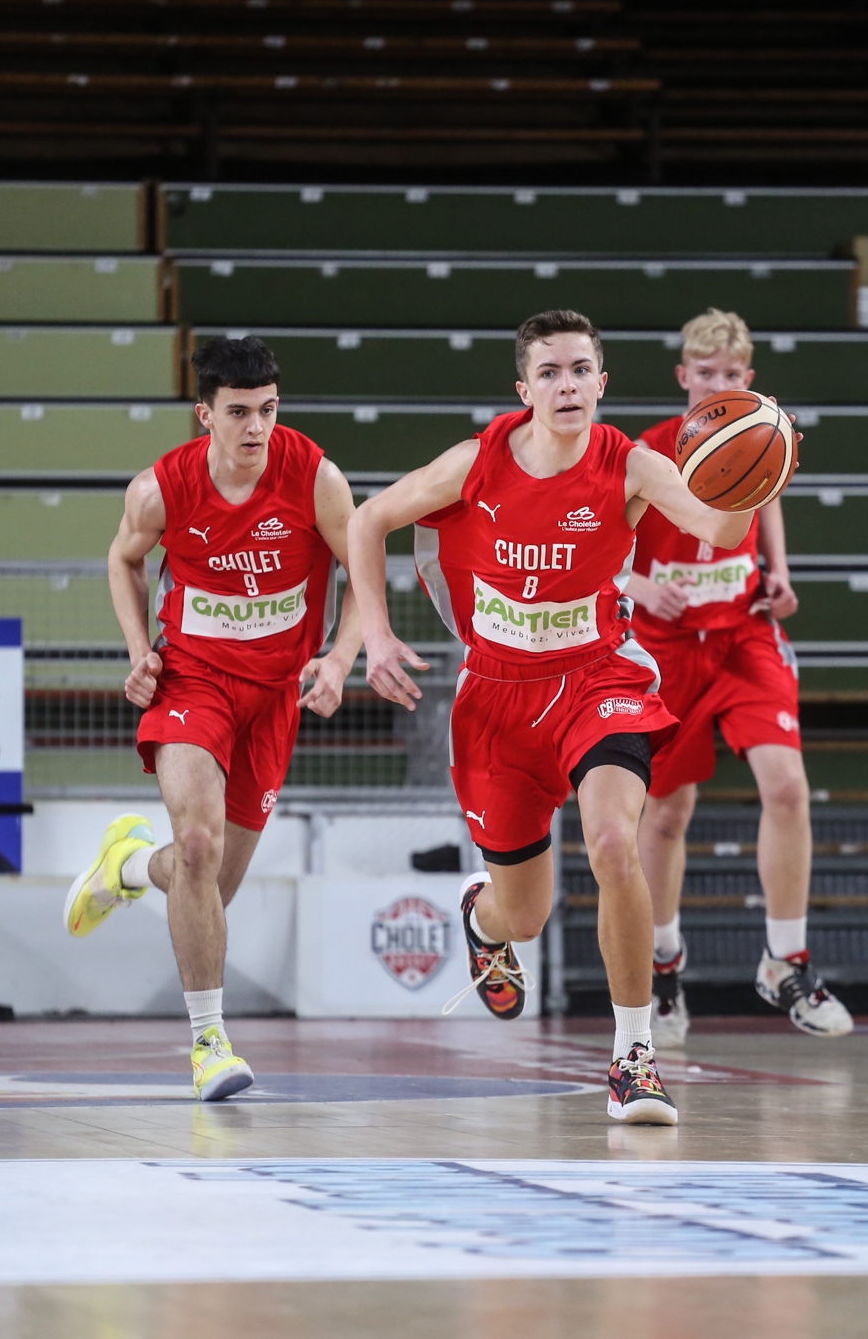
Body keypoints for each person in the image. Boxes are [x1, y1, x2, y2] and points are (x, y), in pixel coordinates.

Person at [343, 309, 761, 1126]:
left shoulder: (633, 464)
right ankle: (483, 917)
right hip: (497, 696)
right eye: (550, 372)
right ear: (524, 388)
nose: (566, 385)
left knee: (614, 842)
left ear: (602, 383)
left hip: (598, 677)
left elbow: (717, 523)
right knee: (524, 914)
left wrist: (754, 478)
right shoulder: (477, 461)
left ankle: (633, 1056)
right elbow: (366, 521)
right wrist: (377, 636)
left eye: (580, 370)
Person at [60, 337, 361, 1102]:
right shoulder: (161, 490)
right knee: (196, 841)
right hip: (193, 678)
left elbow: (363, 574)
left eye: (266, 410)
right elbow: (121, 559)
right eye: (237, 413)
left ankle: (126, 867)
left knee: (208, 890)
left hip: (274, 699)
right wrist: (138, 650)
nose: (255, 428)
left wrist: (339, 656)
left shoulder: (317, 478)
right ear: (206, 415)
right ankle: (208, 1042)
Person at [624, 309, 851, 1047]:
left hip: (744, 630)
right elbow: (598, 540)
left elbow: (767, 492)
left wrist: (779, 571)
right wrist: (634, 585)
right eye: (705, 373)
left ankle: (785, 959)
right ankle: (663, 965)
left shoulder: (760, 436)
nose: (717, 384)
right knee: (666, 814)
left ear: (747, 381)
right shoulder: (647, 453)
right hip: (664, 641)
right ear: (683, 376)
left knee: (788, 785)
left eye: (731, 375)